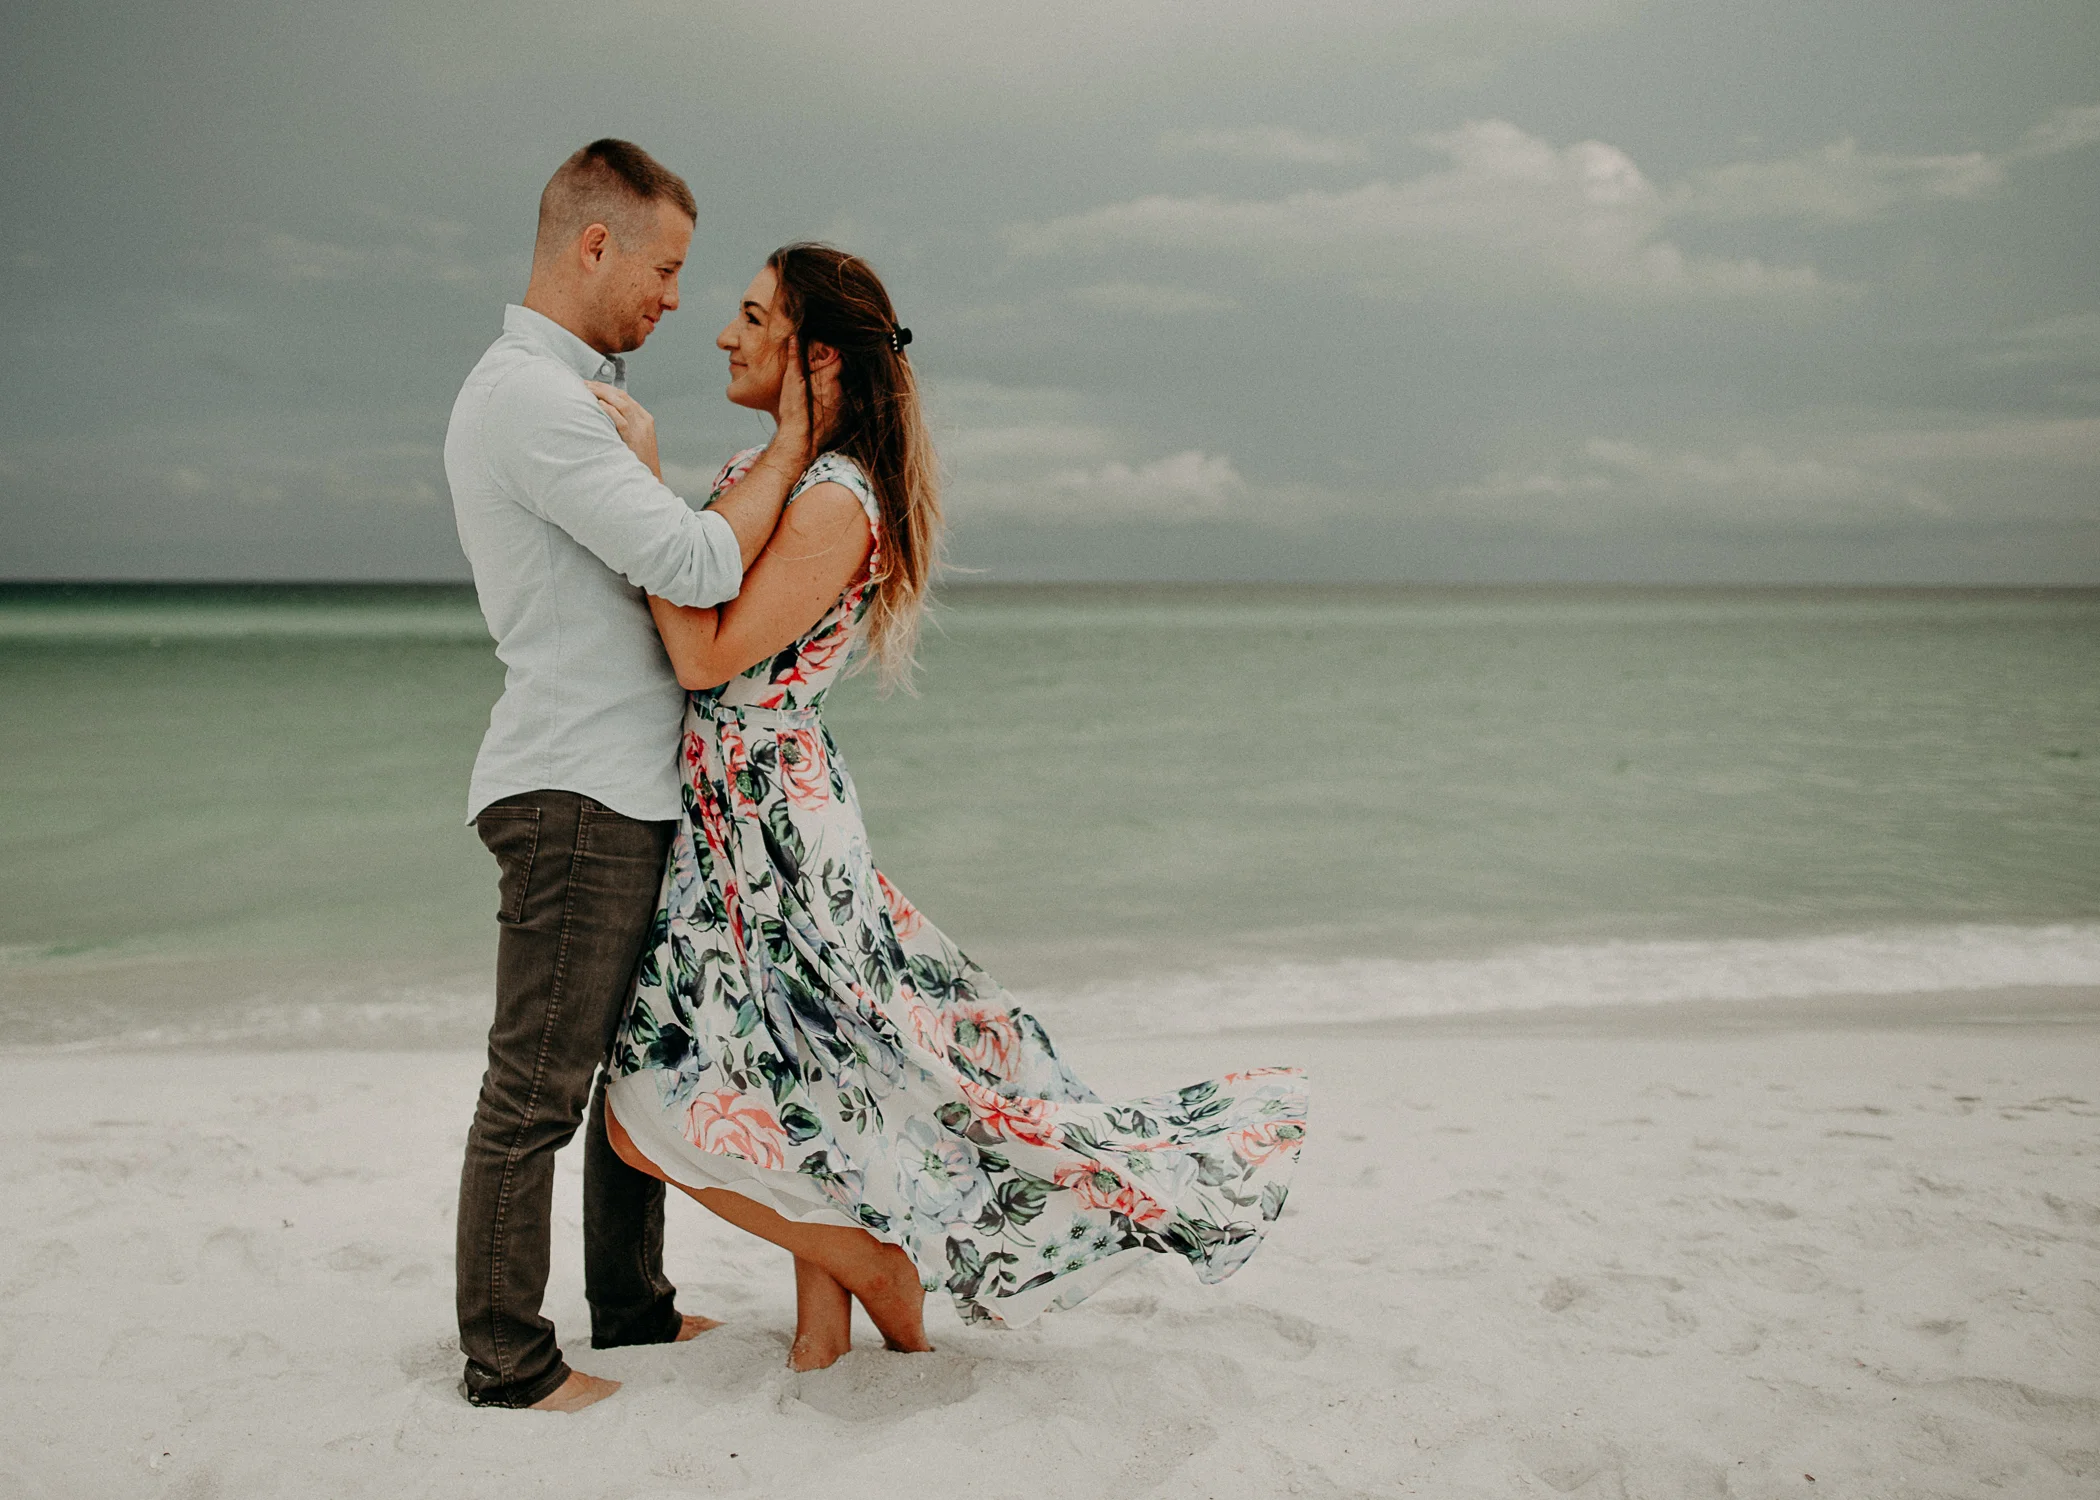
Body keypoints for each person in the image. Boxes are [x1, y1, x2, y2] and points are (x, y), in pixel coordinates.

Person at [585, 243, 1311, 1373]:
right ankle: (824, 1334)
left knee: (640, 1114)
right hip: (743, 810)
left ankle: (876, 1266)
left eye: (748, 316)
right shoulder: (782, 467)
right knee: (811, 1071)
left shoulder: (834, 502)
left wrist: (638, 494)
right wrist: (749, 461)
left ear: (814, 353)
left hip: (773, 817)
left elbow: (706, 656)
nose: (723, 334)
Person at [443, 139, 816, 1413]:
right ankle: (507, 1359)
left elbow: (655, 553)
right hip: (575, 789)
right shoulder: (531, 399)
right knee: (536, 1089)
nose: (672, 298)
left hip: (619, 784)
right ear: (593, 245)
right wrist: (795, 446)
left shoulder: (571, 396)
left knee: (630, 1072)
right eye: (662, 269)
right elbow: (698, 567)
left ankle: (633, 1309)